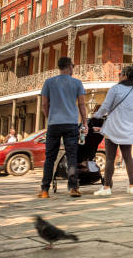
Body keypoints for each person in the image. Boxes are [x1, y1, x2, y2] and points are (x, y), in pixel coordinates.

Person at [38, 57, 87, 199]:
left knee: (50, 158)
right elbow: (82, 105)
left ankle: (45, 190)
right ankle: (73, 188)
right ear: (69, 66)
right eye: (73, 66)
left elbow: (44, 104)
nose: (73, 68)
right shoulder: (77, 83)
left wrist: (49, 117)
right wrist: (84, 122)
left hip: (54, 124)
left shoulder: (49, 82)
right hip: (71, 124)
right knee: (72, 156)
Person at [93, 64, 133, 196]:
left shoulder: (115, 89)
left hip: (114, 128)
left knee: (109, 158)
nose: (118, 76)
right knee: (128, 158)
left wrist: (96, 116)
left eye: (120, 74)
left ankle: (107, 188)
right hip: (128, 129)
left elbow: (105, 107)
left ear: (125, 75)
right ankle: (132, 186)